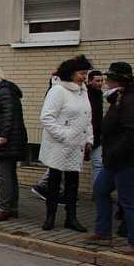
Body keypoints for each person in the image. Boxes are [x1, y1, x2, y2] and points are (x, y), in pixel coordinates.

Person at [86, 62, 134, 253]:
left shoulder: (130, 101)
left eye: (108, 79)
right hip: (114, 160)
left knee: (129, 201)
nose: (105, 82)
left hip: (128, 162)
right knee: (101, 190)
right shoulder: (120, 98)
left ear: (116, 81)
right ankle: (103, 232)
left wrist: (115, 152)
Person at [38, 56, 93, 232]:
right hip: (59, 145)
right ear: (70, 73)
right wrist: (64, 135)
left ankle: (71, 217)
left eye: (86, 73)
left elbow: (87, 118)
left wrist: (89, 140)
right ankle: (50, 217)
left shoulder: (83, 91)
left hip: (76, 145)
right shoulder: (58, 91)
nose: (84, 77)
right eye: (81, 73)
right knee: (54, 183)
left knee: (72, 183)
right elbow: (47, 117)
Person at [0, 67, 28, 222]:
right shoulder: (8, 91)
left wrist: (3, 135)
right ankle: (12, 207)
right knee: (10, 173)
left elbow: (8, 115)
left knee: (5, 174)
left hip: (9, 140)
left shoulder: (3, 92)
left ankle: (3, 207)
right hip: (14, 138)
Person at [86, 70, 105, 188]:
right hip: (87, 134)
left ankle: (97, 192)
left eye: (102, 80)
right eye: (97, 81)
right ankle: (44, 184)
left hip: (97, 135)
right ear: (90, 81)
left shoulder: (99, 95)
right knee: (70, 164)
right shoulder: (86, 94)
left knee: (98, 164)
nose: (100, 83)